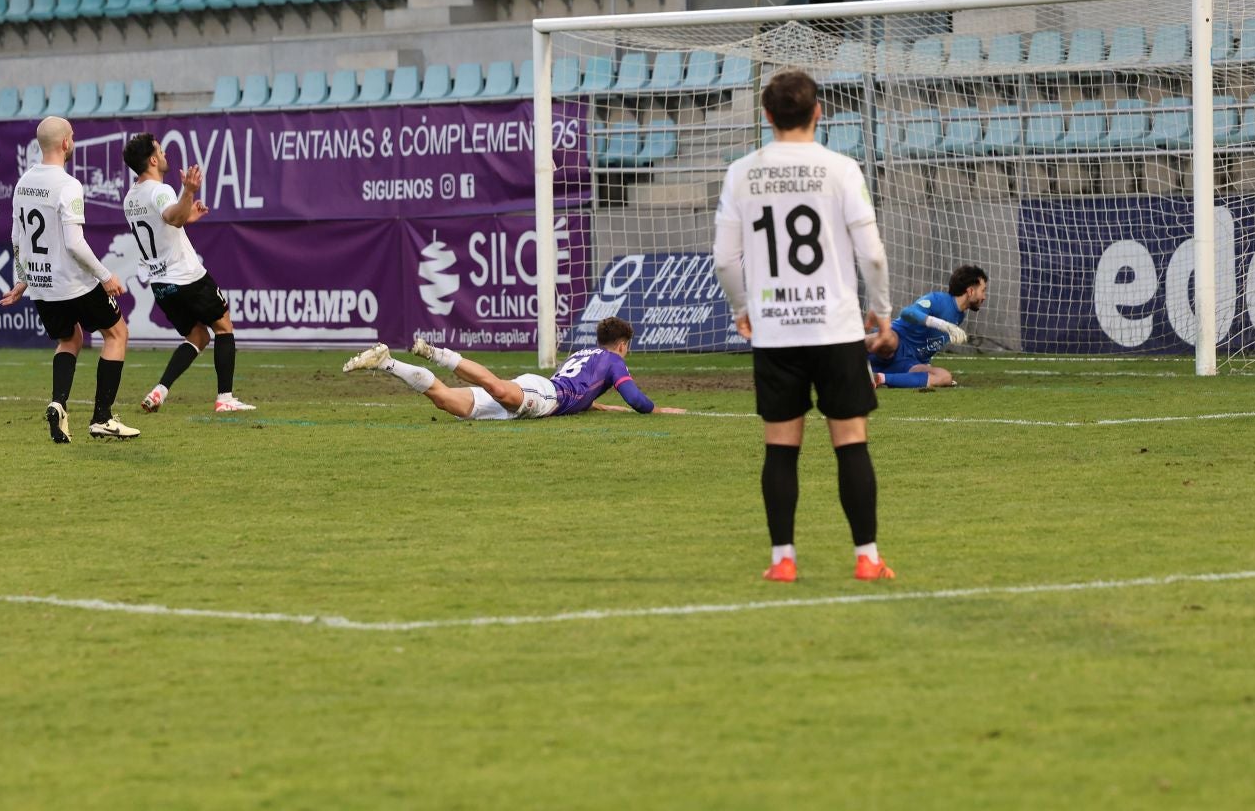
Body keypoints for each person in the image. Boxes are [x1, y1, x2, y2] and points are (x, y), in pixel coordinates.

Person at [712, 70, 897, 584]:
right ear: (820, 112)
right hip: (835, 329)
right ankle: (867, 557)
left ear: (767, 117)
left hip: (776, 332)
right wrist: (880, 309)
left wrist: (742, 307)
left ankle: (783, 560)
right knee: (851, 441)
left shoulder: (741, 173)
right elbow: (872, 253)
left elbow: (726, 259)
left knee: (780, 446)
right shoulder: (841, 168)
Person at [0, 116, 138, 443]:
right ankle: (102, 418)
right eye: (72, 136)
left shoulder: (23, 183)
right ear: (65, 143)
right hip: (74, 282)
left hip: (42, 286)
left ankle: (58, 404)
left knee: (69, 340)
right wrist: (105, 276)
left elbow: (17, 237)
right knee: (117, 334)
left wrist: (23, 280)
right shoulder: (68, 184)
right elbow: (74, 243)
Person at [120, 132, 255, 413]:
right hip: (186, 276)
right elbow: (172, 217)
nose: (165, 153)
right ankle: (225, 399)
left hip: (159, 283)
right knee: (223, 326)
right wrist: (188, 192)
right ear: (153, 159)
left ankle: (159, 391)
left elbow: (169, 223)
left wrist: (188, 212)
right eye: (160, 149)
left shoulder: (131, 197)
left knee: (198, 336)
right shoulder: (161, 190)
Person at [342, 317, 684, 420]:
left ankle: (387, 362)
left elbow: (584, 393)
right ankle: (436, 354)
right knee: (498, 388)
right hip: (546, 396)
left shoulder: (584, 354)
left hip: (543, 389)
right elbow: (636, 400)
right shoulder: (614, 360)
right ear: (623, 345)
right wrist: (657, 409)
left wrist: (604, 406)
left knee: (447, 401)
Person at [868, 265, 988, 389]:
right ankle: (851, 345)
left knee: (944, 377)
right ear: (970, 291)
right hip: (890, 347)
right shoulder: (938, 300)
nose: (984, 297)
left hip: (908, 362)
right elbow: (907, 313)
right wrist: (940, 324)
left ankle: (879, 378)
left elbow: (928, 343)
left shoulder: (959, 315)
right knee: (889, 340)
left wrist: (925, 365)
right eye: (983, 290)